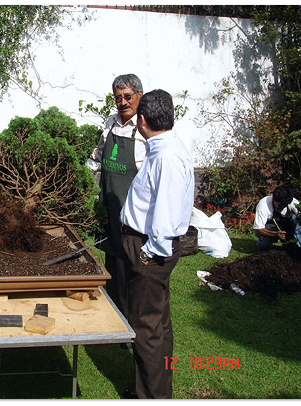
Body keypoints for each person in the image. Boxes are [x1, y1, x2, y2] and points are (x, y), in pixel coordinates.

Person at [119, 89, 195, 399]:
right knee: (158, 324)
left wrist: (149, 253)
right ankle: (158, 391)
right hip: (149, 247)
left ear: (143, 120)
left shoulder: (166, 156)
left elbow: (165, 211)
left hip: (150, 249)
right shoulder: (166, 145)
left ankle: (152, 398)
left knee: (146, 328)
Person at [86, 74, 145, 321]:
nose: (122, 102)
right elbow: (97, 156)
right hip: (109, 209)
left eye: (127, 97)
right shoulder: (110, 123)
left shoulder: (144, 130)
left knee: (133, 270)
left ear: (139, 96)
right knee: (113, 266)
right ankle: (117, 318)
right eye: (118, 97)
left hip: (133, 216)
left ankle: (134, 321)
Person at [253, 185, 300, 251]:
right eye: (280, 205)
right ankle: (262, 247)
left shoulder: (292, 203)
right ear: (273, 199)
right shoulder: (263, 206)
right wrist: (275, 234)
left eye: (284, 205)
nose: (282, 207)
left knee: (298, 221)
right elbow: (258, 229)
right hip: (271, 228)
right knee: (264, 244)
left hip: (288, 225)